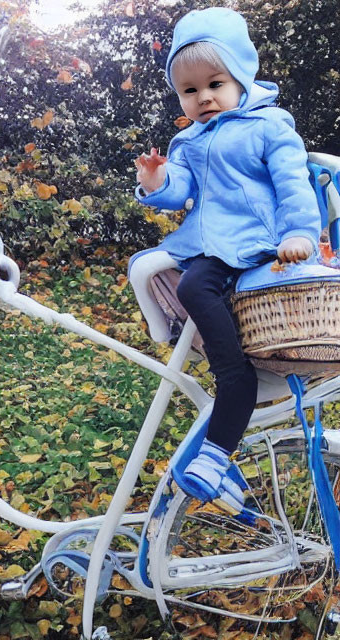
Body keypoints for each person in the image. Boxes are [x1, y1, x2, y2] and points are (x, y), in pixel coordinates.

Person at [134, 7, 321, 512]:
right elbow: (181, 191)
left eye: (215, 83)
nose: (204, 98)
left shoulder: (267, 125)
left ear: (241, 78)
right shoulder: (188, 140)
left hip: (261, 245)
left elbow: (292, 183)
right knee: (190, 285)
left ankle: (223, 430)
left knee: (196, 289)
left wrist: (300, 232)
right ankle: (231, 380)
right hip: (212, 245)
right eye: (190, 91)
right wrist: (156, 183)